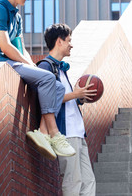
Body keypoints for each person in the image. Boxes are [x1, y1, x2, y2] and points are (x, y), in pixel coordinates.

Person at [0, 0, 75, 160]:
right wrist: (31, 67)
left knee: (56, 86)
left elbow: (21, 49)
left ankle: (42, 133)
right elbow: (6, 47)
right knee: (48, 78)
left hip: (13, 63)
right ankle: (54, 134)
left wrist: (34, 67)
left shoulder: (17, 16)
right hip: (1, 64)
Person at [38, 23, 96, 195]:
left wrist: (78, 98)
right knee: (73, 180)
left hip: (78, 132)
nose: (71, 44)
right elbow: (47, 100)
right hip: (65, 133)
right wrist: (74, 93)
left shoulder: (61, 70)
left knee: (89, 181)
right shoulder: (45, 67)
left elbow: (64, 101)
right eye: (69, 40)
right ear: (59, 42)